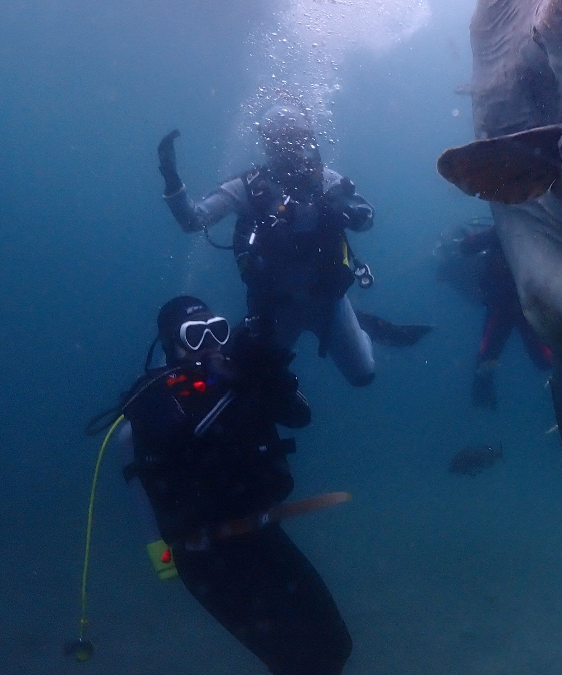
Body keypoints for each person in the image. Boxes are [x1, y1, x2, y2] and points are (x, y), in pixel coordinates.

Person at [121, 295, 352, 675]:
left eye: (216, 331)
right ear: (172, 345)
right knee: (299, 663)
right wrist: (231, 383)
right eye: (195, 335)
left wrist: (266, 373)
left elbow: (300, 415)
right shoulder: (153, 395)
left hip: (263, 533)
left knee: (335, 645)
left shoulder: (240, 376)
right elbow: (183, 435)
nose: (209, 343)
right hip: (208, 556)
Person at [157, 106, 377, 386]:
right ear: (266, 142)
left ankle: (360, 328)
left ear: (306, 140)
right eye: (279, 139)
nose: (288, 147)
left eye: (294, 138)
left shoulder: (326, 181)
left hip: (329, 302)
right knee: (253, 386)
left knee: (363, 374)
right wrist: (172, 180)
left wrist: (351, 214)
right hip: (275, 310)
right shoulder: (247, 188)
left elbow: (367, 216)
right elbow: (194, 220)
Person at [434, 221, 553, 409]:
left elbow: (468, 246)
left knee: (492, 356)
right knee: (541, 358)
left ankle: (483, 397)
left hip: (509, 301)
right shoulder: (519, 229)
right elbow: (469, 246)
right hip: (517, 300)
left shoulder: (504, 229)